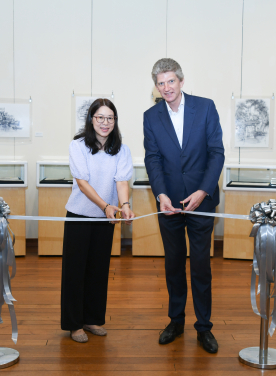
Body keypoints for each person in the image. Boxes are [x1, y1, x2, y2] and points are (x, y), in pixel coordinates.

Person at [143, 58, 225, 353]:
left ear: (181, 80)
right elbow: (152, 158)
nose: (166, 88)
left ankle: (204, 327)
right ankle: (176, 321)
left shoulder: (205, 107)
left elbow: (216, 153)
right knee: (173, 264)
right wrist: (160, 194)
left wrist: (203, 191)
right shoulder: (151, 116)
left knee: (201, 266)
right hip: (169, 204)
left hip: (201, 202)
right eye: (160, 83)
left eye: (170, 81)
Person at [61, 98, 134, 343]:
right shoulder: (78, 145)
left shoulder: (121, 149)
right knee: (75, 271)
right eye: (100, 117)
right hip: (80, 216)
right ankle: (74, 324)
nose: (105, 123)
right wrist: (105, 206)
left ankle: (92, 319)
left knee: (98, 270)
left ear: (115, 121)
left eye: (110, 118)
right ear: (91, 119)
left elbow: (121, 181)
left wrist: (124, 205)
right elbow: (82, 183)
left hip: (107, 218)